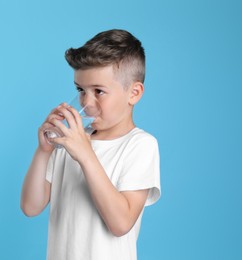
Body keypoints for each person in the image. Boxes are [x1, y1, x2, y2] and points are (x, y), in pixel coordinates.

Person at [20, 29, 161, 260]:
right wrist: (43, 151)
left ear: (133, 93)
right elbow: (30, 206)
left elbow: (121, 223)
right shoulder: (71, 140)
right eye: (80, 90)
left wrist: (86, 155)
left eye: (99, 91)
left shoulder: (141, 146)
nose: (86, 102)